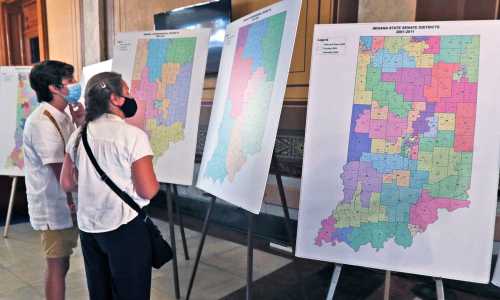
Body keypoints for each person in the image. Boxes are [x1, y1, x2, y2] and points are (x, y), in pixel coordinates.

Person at [60, 71, 159, 300]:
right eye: (126, 92)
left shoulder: (78, 135)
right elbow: (148, 190)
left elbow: (66, 182)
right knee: (131, 293)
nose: (130, 97)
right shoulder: (133, 136)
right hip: (125, 228)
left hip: (89, 230)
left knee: (100, 292)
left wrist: (92, 185)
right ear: (114, 99)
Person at [23, 60, 85, 300]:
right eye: (70, 81)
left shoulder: (63, 115)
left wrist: (80, 122)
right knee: (57, 266)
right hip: (53, 206)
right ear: (54, 87)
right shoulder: (41, 122)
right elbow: (61, 171)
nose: (75, 84)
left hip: (67, 203)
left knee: (63, 264)